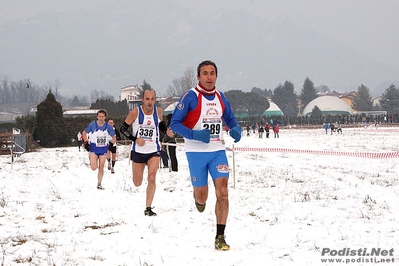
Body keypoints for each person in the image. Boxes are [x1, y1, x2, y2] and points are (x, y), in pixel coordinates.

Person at [170, 60, 242, 251]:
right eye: (205, 73)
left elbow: (230, 118)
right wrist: (195, 135)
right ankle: (198, 199)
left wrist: (235, 128)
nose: (209, 77)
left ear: (216, 76)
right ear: (198, 77)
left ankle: (220, 236)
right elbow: (174, 124)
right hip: (196, 152)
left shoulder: (221, 97)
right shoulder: (190, 97)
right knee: (202, 197)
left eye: (212, 73)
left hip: (217, 151)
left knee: (223, 192)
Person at [120, 88, 172, 217]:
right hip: (138, 151)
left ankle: (148, 208)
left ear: (155, 100)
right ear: (142, 100)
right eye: (147, 99)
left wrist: (167, 131)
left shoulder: (158, 111)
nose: (149, 102)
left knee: (152, 177)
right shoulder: (135, 113)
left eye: (152, 99)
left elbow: (160, 126)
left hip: (153, 150)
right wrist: (135, 139)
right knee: (137, 182)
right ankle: (137, 180)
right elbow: (123, 128)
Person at [82, 110, 116, 190]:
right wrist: (86, 142)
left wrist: (111, 143)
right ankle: (90, 157)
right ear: (97, 117)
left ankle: (99, 184)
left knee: (101, 168)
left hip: (103, 150)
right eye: (99, 116)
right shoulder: (92, 125)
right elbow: (84, 133)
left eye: (102, 117)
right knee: (94, 167)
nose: (101, 118)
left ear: (105, 117)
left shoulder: (108, 127)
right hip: (93, 149)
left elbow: (114, 137)